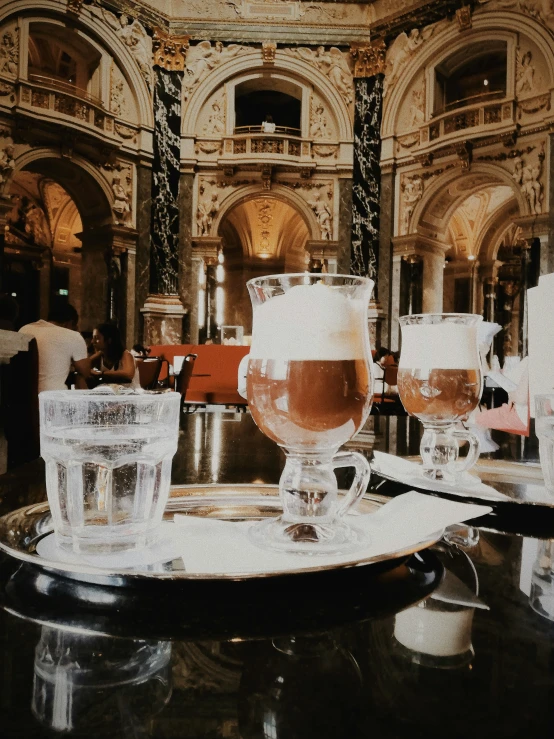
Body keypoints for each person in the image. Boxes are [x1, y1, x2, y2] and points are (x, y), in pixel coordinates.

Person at [19, 302, 90, 393]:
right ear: (69, 323)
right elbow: (85, 372)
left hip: (23, 396)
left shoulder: (25, 329)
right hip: (53, 398)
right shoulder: (73, 336)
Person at [90, 322, 140, 388]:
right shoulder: (101, 354)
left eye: (97, 338)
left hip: (130, 393)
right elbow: (83, 365)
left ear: (109, 340)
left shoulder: (125, 354)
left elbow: (128, 374)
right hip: (112, 393)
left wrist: (102, 373)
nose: (92, 341)